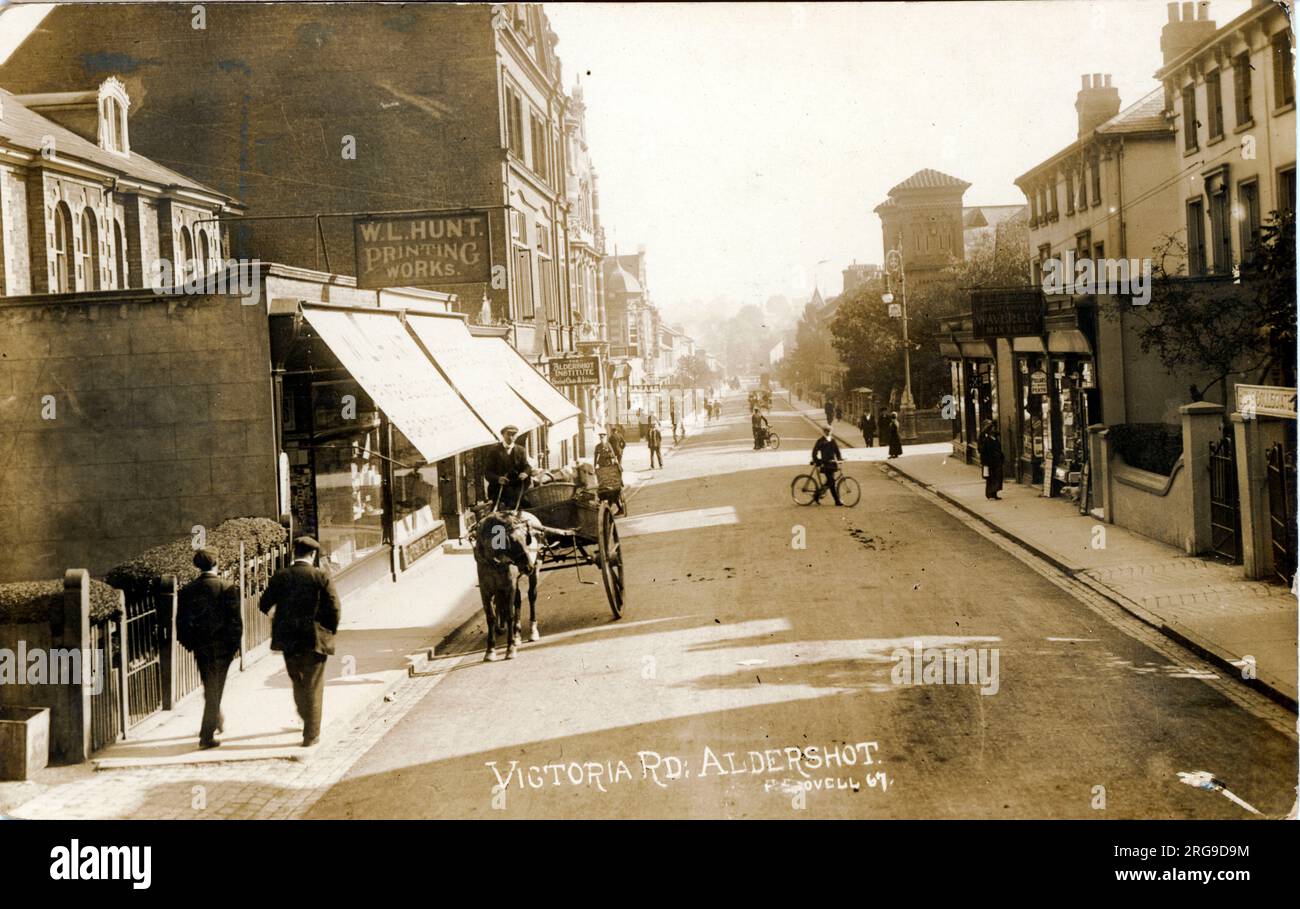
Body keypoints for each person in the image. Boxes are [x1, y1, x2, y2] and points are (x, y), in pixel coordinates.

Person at [259, 536, 341, 748]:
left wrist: (277, 614)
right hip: (314, 639)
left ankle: (307, 719)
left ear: (294, 553)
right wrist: (328, 630)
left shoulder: (281, 576)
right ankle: (311, 734)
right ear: (313, 554)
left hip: (289, 640)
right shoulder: (321, 576)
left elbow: (263, 603)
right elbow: (334, 607)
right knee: (313, 685)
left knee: (298, 681)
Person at [176, 548, 242, 749]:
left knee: (211, 685)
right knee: (215, 688)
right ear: (216, 564)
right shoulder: (227, 588)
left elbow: (182, 623)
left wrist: (190, 644)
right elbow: (235, 623)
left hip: (201, 647)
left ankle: (217, 721)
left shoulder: (187, 591)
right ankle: (206, 735)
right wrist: (234, 647)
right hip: (222, 648)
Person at [484, 425, 532, 510]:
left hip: (517, 488)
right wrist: (498, 479)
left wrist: (525, 473)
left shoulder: (521, 450)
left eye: (514, 434)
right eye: (508, 434)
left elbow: (527, 466)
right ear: (502, 434)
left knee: (526, 507)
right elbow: (488, 473)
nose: (511, 437)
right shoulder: (494, 451)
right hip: (499, 489)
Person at [810, 425, 844, 506]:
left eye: (829, 431)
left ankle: (817, 496)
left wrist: (840, 458)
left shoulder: (832, 440)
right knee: (831, 482)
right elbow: (814, 453)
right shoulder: (820, 441)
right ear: (824, 431)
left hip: (832, 465)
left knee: (831, 483)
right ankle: (837, 501)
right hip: (825, 465)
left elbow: (837, 451)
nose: (828, 432)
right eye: (826, 431)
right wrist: (818, 461)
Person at [978, 419, 1004, 500]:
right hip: (989, 462)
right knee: (991, 478)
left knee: (997, 477)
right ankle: (990, 494)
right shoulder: (985, 438)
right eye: (992, 428)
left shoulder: (995, 438)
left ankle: (995, 493)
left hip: (997, 461)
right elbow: (982, 450)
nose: (994, 429)